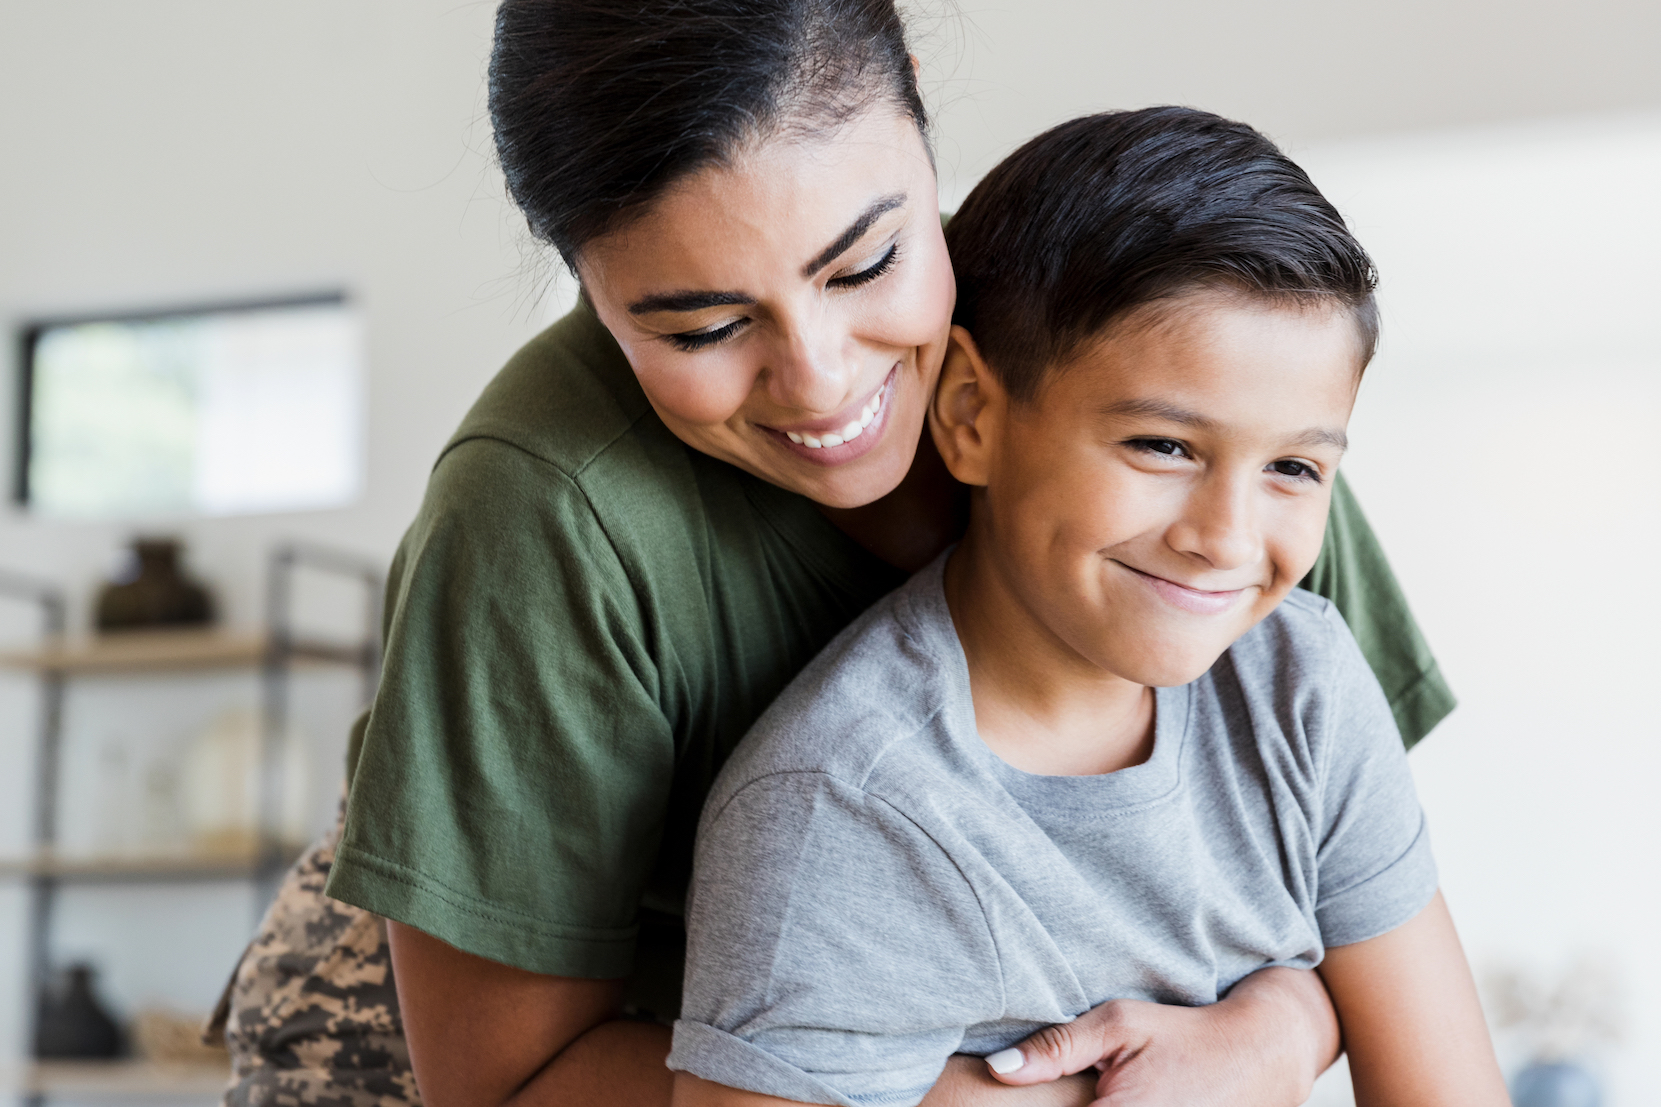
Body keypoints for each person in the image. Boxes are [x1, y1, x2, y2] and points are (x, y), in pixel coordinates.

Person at [213, 5, 1455, 1106]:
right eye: (702, 323)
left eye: (867, 261)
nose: (822, 383)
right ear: (586, 289)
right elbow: (508, 1078)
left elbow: (1345, 877)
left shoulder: (1164, 387)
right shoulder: (543, 513)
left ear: (913, 101)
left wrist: (1277, 1026)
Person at [668, 108, 1507, 1107]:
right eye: (1161, 447)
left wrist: (1288, 1020)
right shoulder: (838, 812)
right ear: (971, 414)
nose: (1226, 537)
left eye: (1291, 466)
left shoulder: (1301, 688)